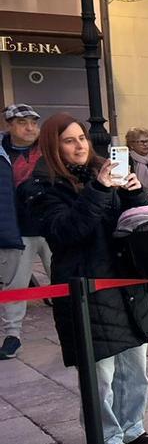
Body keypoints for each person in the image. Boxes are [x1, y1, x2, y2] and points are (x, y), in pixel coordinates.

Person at [20, 114, 148, 444]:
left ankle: (132, 427)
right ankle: (107, 439)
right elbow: (67, 231)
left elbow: (135, 220)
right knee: (100, 372)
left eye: (82, 138)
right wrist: (100, 190)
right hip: (87, 288)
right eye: (69, 141)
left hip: (124, 284)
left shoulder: (105, 173)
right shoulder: (40, 187)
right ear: (53, 147)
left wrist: (134, 192)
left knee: (134, 365)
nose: (80, 145)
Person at [0, 105, 52, 359]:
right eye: (22, 123)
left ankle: (77, 325)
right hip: (18, 228)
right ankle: (12, 335)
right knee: (15, 285)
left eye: (33, 122)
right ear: (8, 124)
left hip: (54, 225)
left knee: (67, 278)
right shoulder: (2, 153)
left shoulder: (50, 149)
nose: (30, 127)